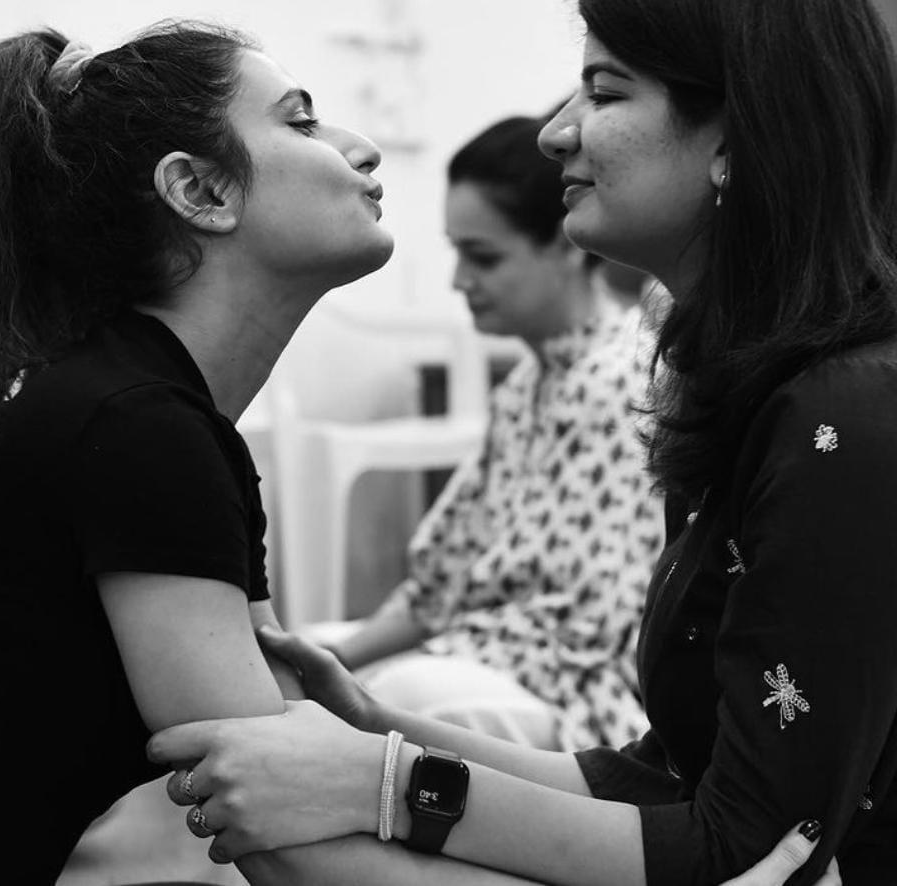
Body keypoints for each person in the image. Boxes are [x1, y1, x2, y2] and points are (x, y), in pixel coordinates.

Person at [147, 0, 897, 883]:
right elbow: (665, 773)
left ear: (738, 137)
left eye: (604, 92)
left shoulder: (842, 417)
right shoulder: (732, 391)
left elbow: (762, 852)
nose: (554, 133)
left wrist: (384, 782)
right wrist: (379, 728)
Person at [0, 21, 395, 886]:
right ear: (200, 191)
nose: (365, 148)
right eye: (302, 122)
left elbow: (293, 749)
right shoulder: (135, 425)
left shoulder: (164, 421)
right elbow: (290, 842)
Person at [321, 114, 663, 752]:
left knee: (400, 698)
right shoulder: (528, 387)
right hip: (485, 661)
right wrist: (332, 656)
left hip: (575, 703)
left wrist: (357, 676)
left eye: (483, 256)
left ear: (566, 244)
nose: (458, 282)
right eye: (457, 253)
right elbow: (439, 586)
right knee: (301, 667)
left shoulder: (626, 380)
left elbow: (590, 643)